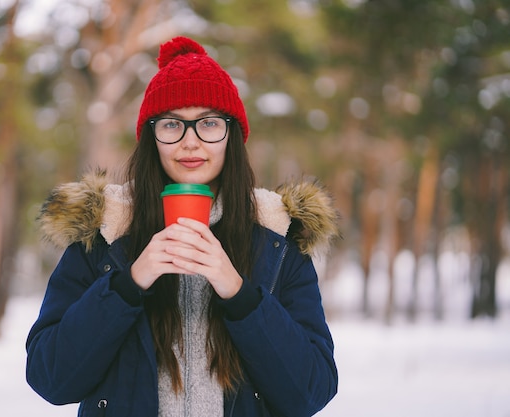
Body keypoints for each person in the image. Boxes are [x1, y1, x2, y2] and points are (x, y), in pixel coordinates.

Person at [26, 36, 339, 417]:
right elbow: (50, 378)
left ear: (232, 136)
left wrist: (240, 294)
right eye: (172, 124)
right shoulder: (104, 237)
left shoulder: (278, 242)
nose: (190, 142)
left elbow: (312, 391)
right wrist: (128, 283)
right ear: (152, 138)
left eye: (208, 123)